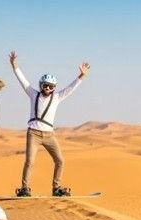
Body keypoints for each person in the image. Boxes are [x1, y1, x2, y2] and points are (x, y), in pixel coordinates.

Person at [9, 50, 90, 197]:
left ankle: (56, 188)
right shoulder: (33, 94)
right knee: (30, 162)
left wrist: (81, 76)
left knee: (60, 160)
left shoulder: (58, 97)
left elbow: (71, 89)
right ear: (41, 85)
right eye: (45, 85)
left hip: (49, 135)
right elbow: (23, 81)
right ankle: (24, 189)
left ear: (54, 88)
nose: (47, 88)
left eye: (50, 86)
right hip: (33, 134)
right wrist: (15, 67)